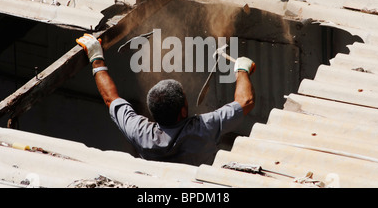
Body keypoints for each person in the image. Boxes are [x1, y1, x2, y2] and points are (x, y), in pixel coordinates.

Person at [76, 33, 255, 166]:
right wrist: (242, 70)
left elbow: (110, 99)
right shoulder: (203, 128)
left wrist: (96, 58)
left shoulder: (140, 133)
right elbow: (245, 101)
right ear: (183, 111)